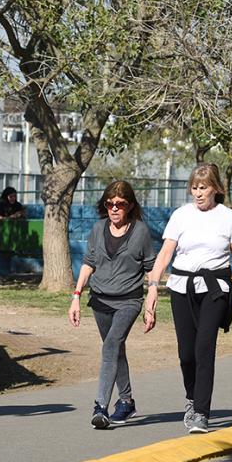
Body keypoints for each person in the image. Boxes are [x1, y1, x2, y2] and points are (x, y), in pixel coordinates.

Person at [144, 163, 232, 434]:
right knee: (186, 354)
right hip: (182, 288)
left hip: (215, 289)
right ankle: (192, 399)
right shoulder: (181, 215)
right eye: (194, 187)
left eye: (203, 187)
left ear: (216, 188)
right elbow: (165, 254)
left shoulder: (228, 217)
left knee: (204, 347)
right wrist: (153, 287)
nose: (198, 192)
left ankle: (202, 412)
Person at [68, 180, 156, 430]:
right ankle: (126, 401)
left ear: (129, 206)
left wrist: (151, 303)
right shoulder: (97, 229)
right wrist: (76, 296)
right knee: (115, 350)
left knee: (110, 348)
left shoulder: (140, 231)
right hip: (100, 300)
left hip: (129, 300)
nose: (114, 208)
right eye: (110, 204)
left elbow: (151, 269)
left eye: (120, 204)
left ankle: (100, 407)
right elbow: (89, 263)